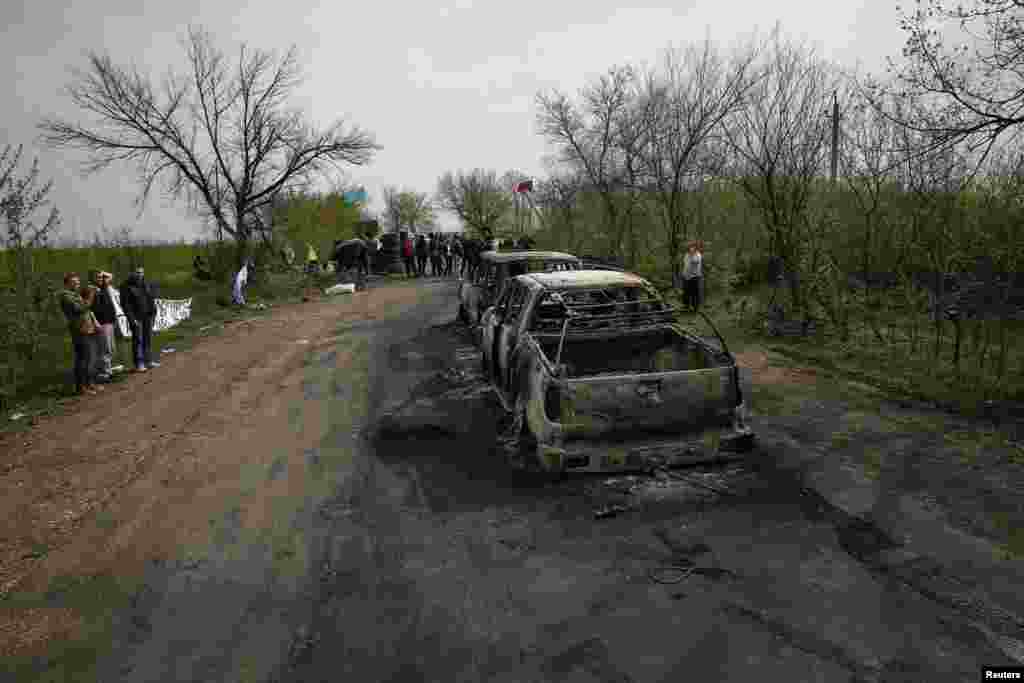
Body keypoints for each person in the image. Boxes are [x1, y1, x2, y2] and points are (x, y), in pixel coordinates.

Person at [59, 272, 101, 395]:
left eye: (78, 282)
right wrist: (91, 295)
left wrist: (93, 324)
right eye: (74, 282)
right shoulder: (66, 296)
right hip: (79, 330)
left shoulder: (74, 294)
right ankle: (81, 387)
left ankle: (89, 383)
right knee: (82, 359)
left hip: (87, 328)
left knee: (88, 358)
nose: (78, 284)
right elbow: (81, 308)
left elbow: (86, 310)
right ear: (67, 283)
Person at [120, 266, 160, 372]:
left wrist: (153, 312)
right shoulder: (125, 286)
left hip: (148, 315)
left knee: (148, 339)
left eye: (141, 272)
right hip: (136, 318)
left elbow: (150, 298)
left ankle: (148, 361)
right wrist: (131, 319)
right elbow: (125, 305)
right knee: (138, 340)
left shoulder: (145, 283)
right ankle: (139, 363)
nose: (140, 275)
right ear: (132, 273)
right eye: (137, 273)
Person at [91, 271, 118, 383]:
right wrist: (95, 322)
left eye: (102, 278)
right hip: (102, 322)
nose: (101, 279)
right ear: (93, 279)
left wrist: (103, 273)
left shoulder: (104, 287)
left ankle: (107, 370)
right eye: (98, 278)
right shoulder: (92, 289)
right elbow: (89, 308)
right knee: (105, 348)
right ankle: (104, 373)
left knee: (111, 347)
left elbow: (111, 276)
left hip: (110, 321)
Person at [682, 240, 703, 311]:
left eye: (692, 247)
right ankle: (686, 306)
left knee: (695, 293)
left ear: (695, 248)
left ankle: (695, 308)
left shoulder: (697, 255)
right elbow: (685, 264)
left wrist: (692, 254)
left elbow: (695, 261)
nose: (691, 248)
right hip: (686, 277)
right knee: (686, 293)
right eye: (690, 247)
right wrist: (684, 274)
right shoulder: (686, 255)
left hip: (694, 277)